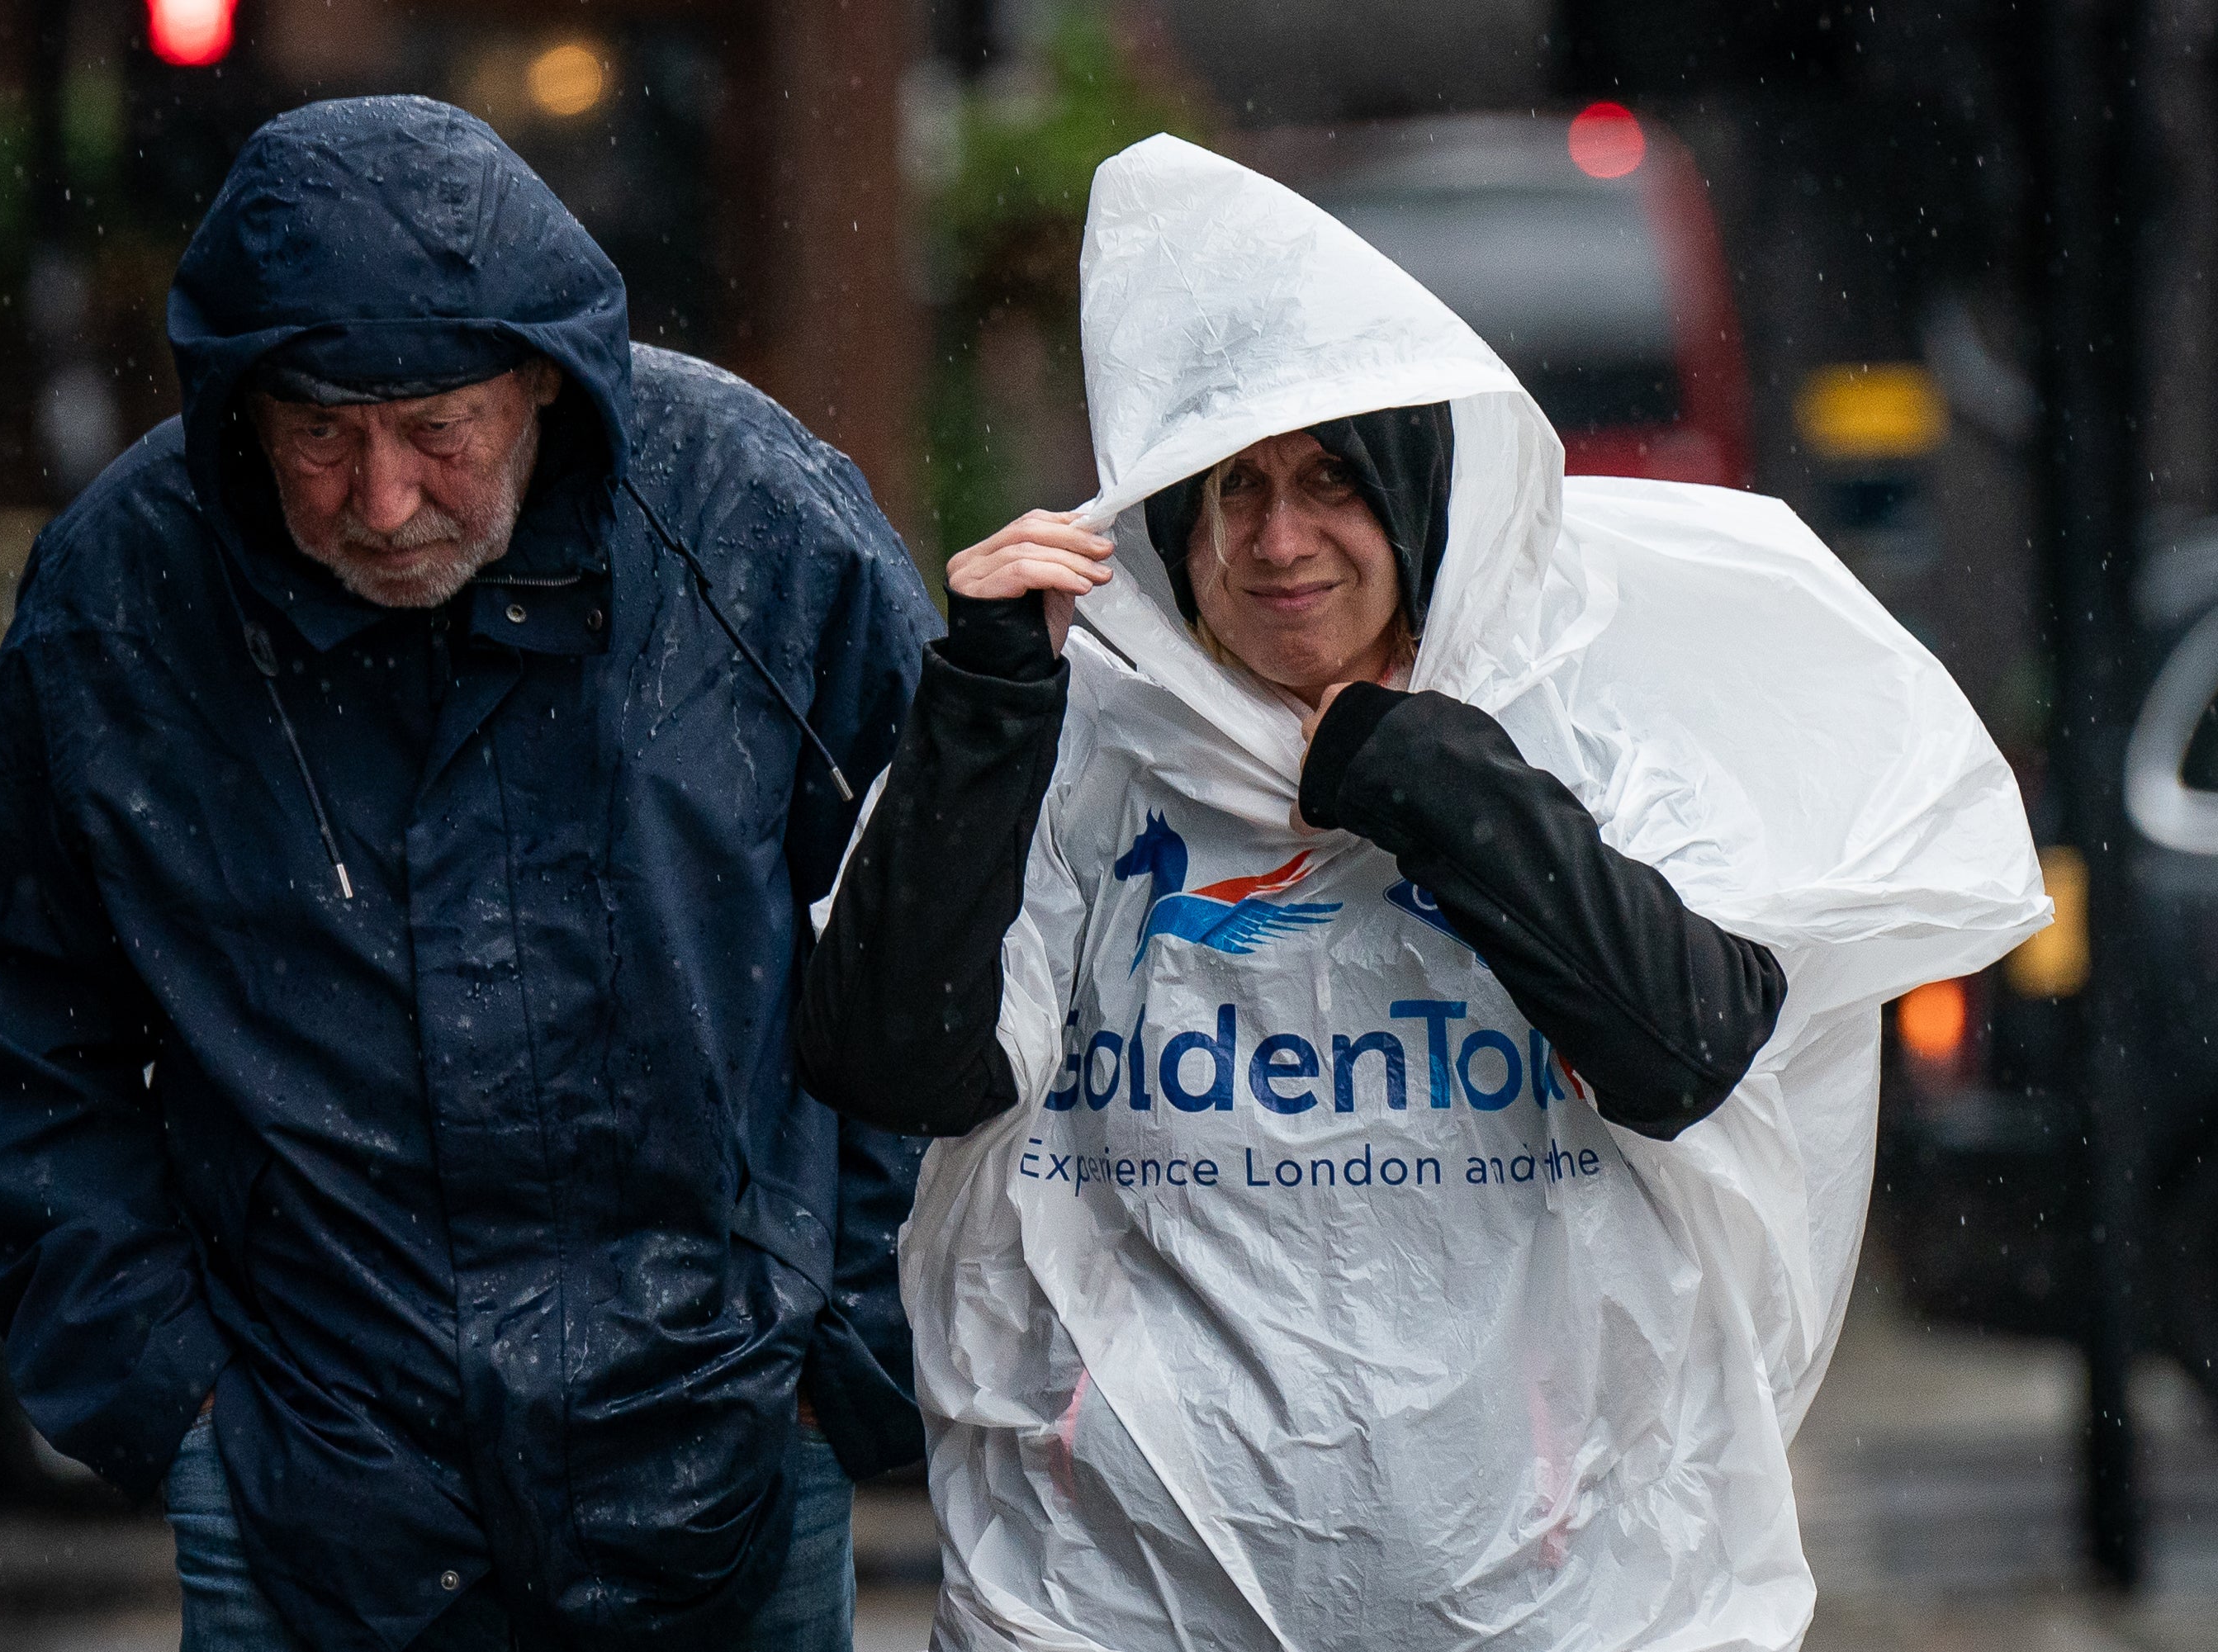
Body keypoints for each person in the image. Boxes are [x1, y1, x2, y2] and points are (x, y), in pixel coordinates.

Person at [795, 135, 2045, 1650]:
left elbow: (1689, 1044)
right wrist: (983, 713)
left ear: (1417, 500)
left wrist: (1424, 778)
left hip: (1544, 1603)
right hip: (1125, 1602)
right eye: (1234, 489)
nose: (1277, 538)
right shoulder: (1078, 747)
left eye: (1331, 481)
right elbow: (892, 1056)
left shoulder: (1578, 731)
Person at [0, 97, 936, 1652]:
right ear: (244, 412)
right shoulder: (126, 592)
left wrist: (843, 1327)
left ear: (540, 382)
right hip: (307, 1491)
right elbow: (6, 1007)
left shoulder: (747, 517)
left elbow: (945, 925)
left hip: (722, 1458)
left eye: (436, 432)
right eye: (322, 433)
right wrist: (175, 1397)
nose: (380, 501)